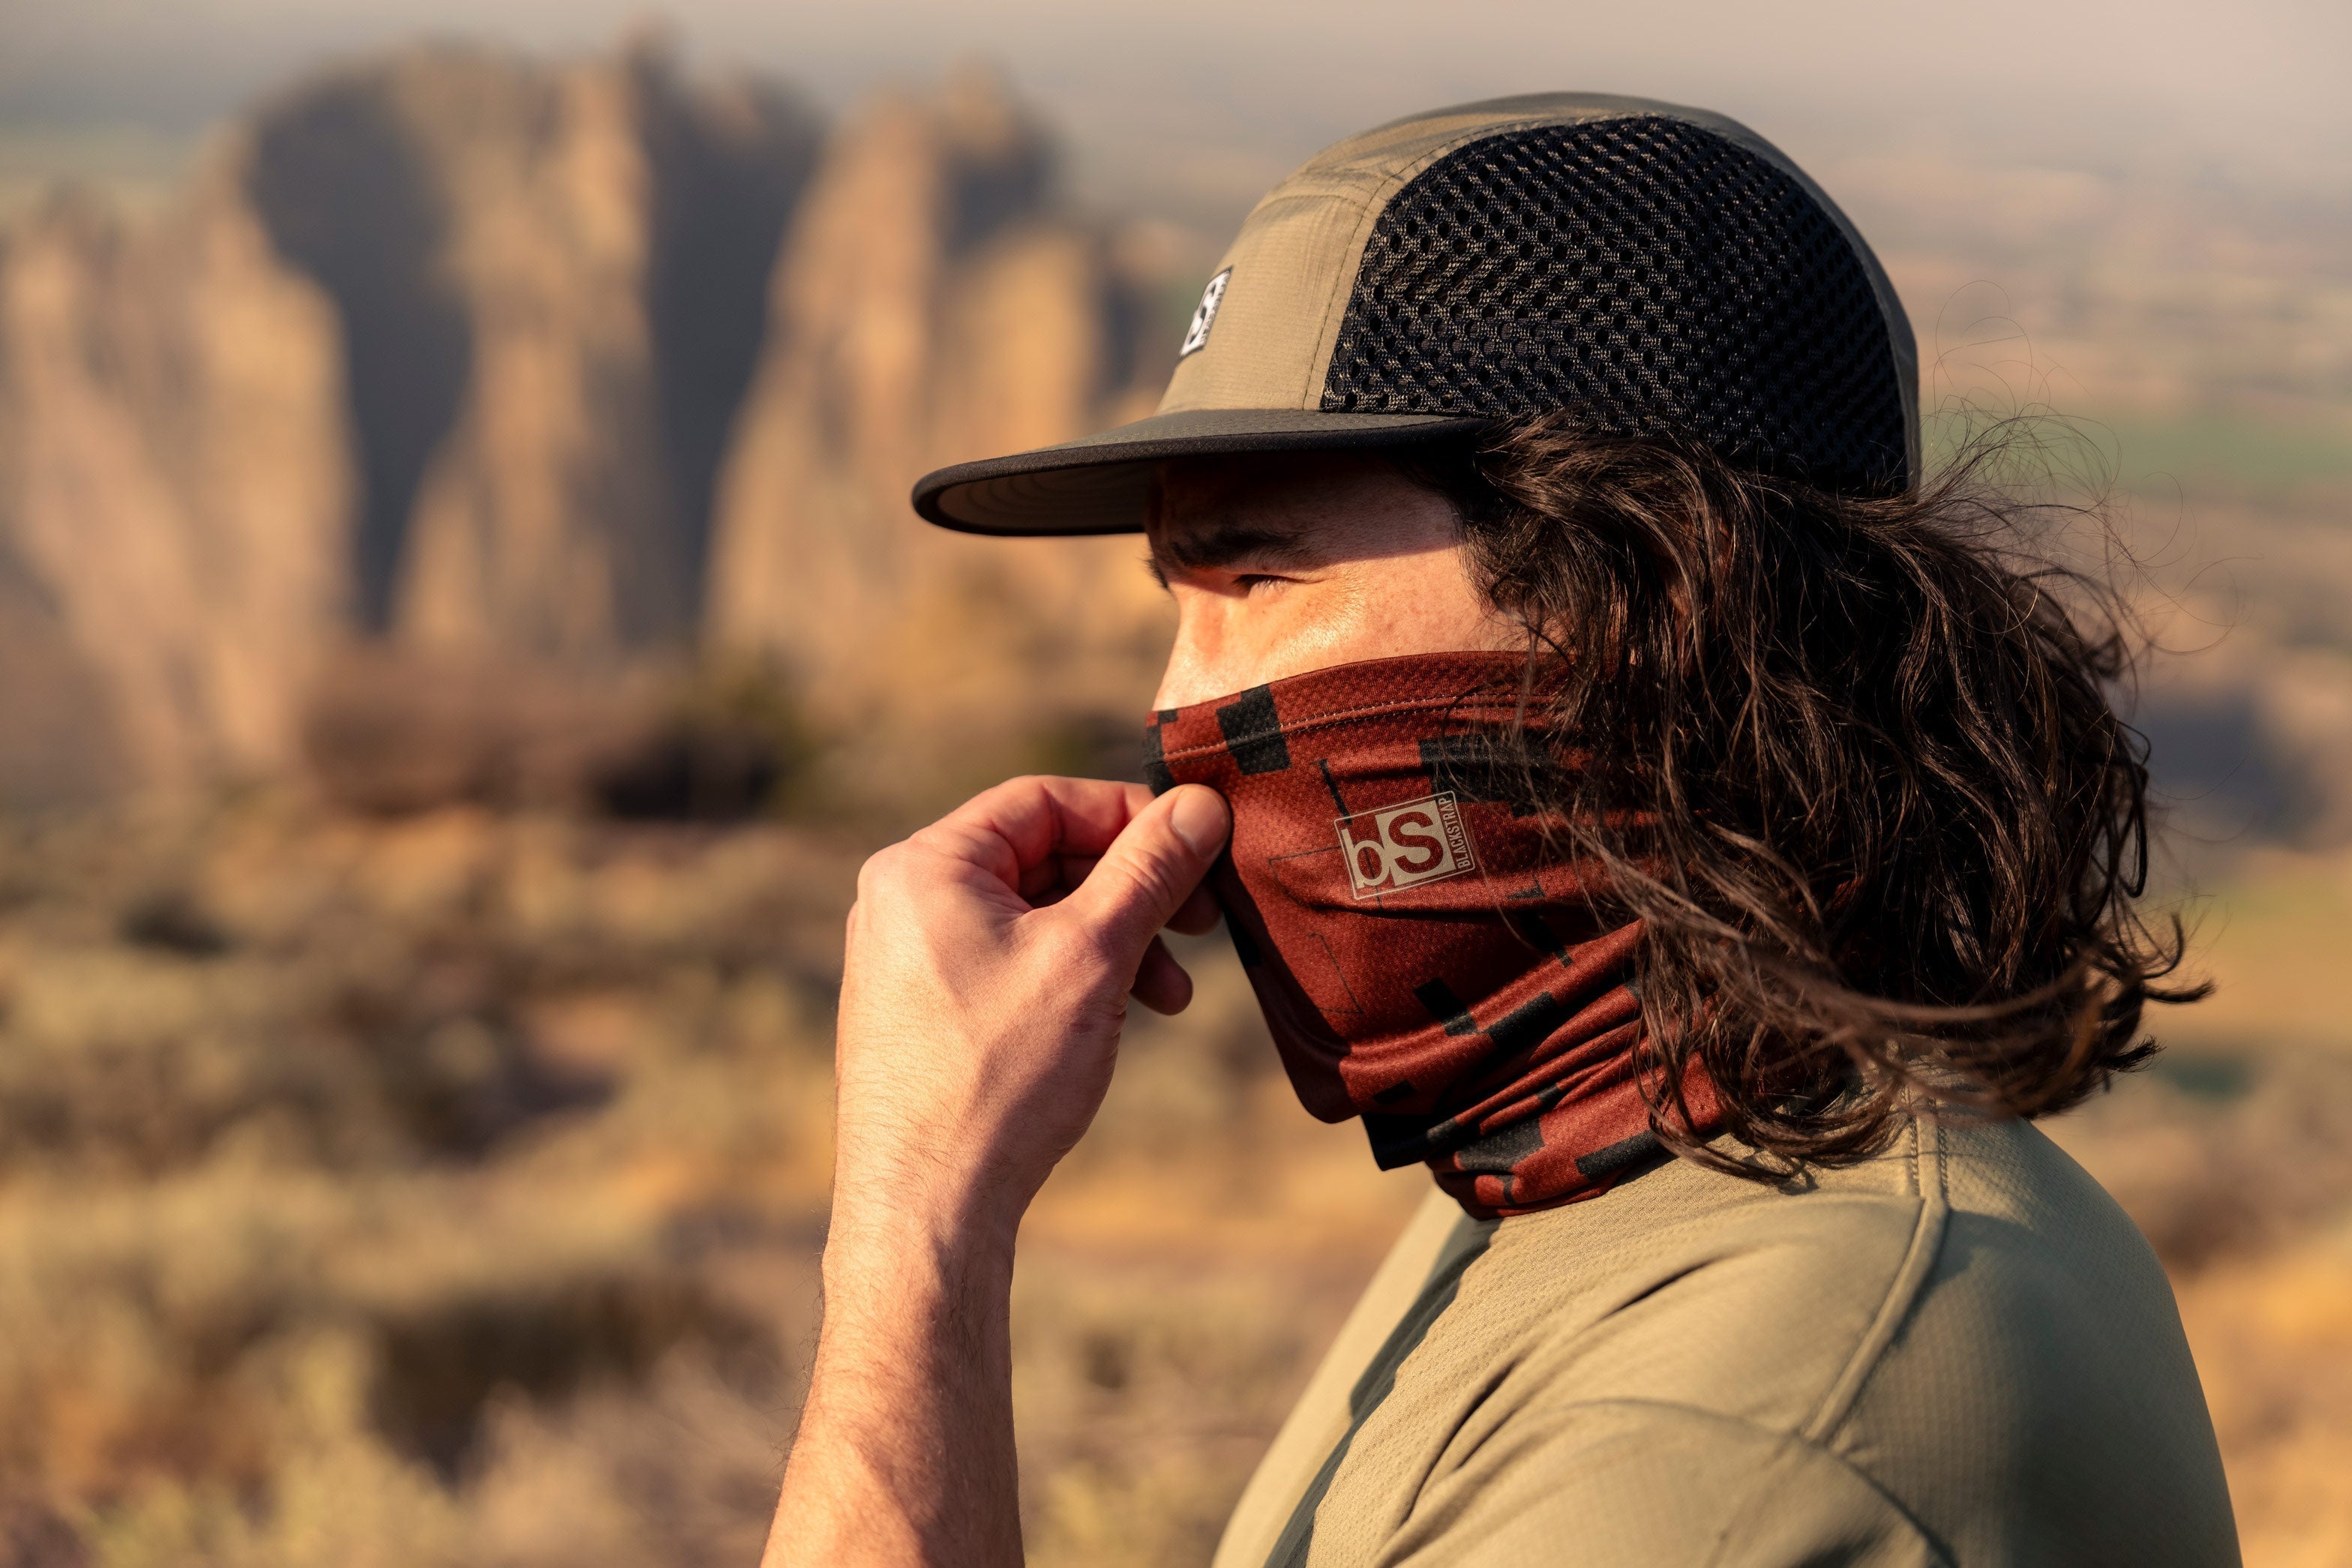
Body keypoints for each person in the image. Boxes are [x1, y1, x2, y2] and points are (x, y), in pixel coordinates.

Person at [761, 95, 2240, 1567]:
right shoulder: (1608, 1160)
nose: (1173, 710)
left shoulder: (1729, 1430)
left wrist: (917, 1219)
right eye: (1173, 606)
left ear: (1639, 601)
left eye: (1253, 582)